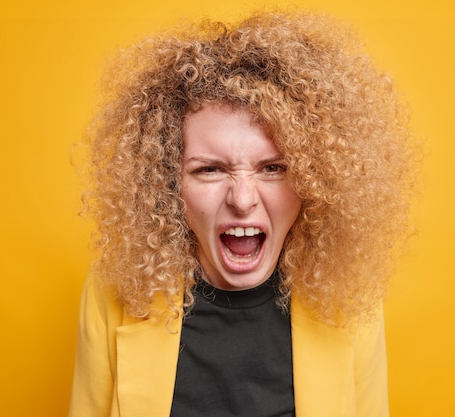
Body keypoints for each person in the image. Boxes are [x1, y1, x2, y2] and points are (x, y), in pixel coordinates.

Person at [69, 9, 415, 417]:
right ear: (165, 181)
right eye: (210, 169)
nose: (243, 199)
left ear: (314, 177)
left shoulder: (351, 299)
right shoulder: (114, 290)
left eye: (273, 168)